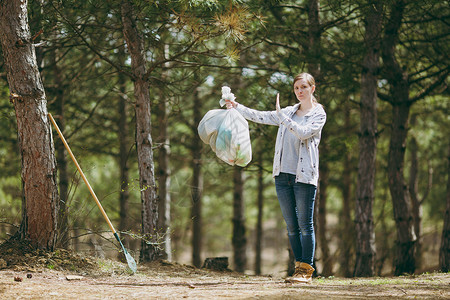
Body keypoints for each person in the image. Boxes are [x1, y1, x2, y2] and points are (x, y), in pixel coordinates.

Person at [225, 72, 326, 283]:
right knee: (291, 226)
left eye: (304, 88)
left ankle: (306, 271)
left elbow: (304, 133)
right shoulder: (288, 111)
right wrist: (236, 106)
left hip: (304, 177)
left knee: (305, 225)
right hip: (282, 175)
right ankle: (298, 269)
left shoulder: (318, 114)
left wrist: (283, 118)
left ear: (312, 89)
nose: (300, 92)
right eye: (297, 88)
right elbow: (260, 116)